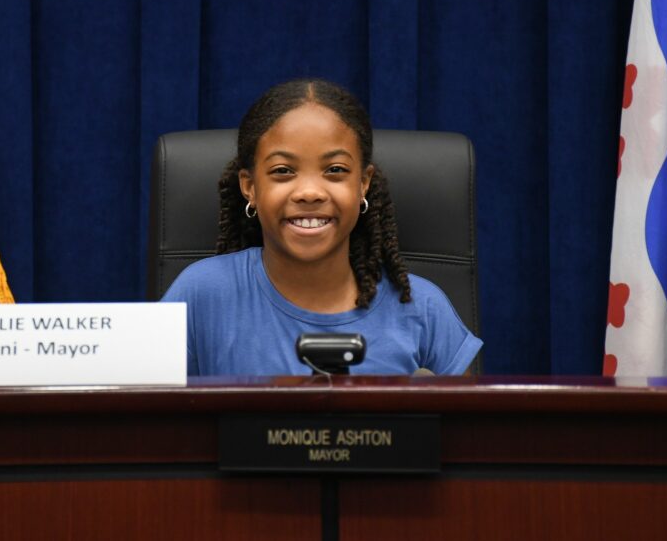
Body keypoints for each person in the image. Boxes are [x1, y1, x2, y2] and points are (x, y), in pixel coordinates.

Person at [162, 78, 482, 376]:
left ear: (363, 184)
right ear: (249, 187)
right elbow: (152, 423)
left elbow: (468, 432)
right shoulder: (200, 293)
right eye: (283, 170)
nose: (310, 192)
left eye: (335, 170)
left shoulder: (423, 308)